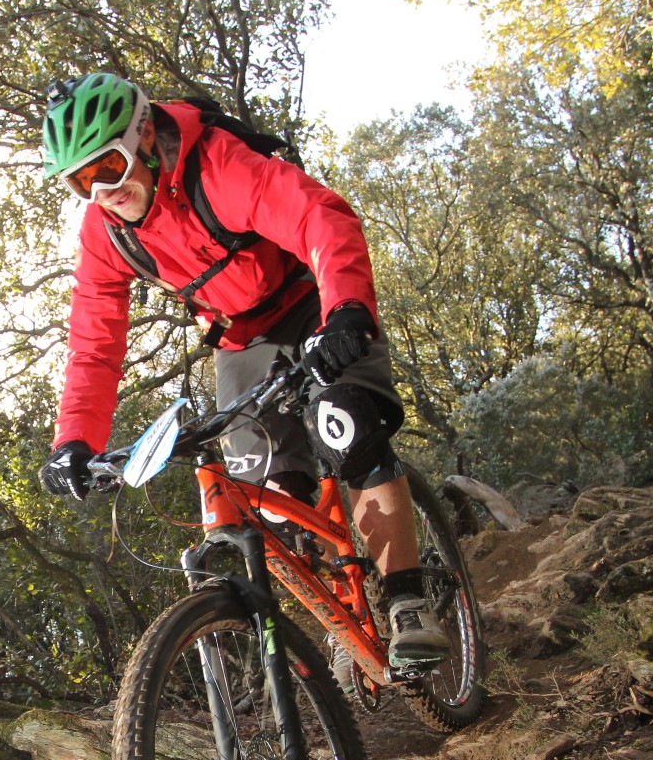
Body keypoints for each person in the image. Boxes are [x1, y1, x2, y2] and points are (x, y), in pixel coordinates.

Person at [35, 72, 447, 667]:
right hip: (241, 337)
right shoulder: (106, 232)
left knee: (347, 426)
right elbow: (94, 343)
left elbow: (318, 219)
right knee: (268, 495)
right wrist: (74, 441)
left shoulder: (217, 165)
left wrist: (346, 310)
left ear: (144, 135)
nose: (104, 190)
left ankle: (407, 600)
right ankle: (342, 617)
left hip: (313, 301)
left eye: (110, 166)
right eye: (82, 181)